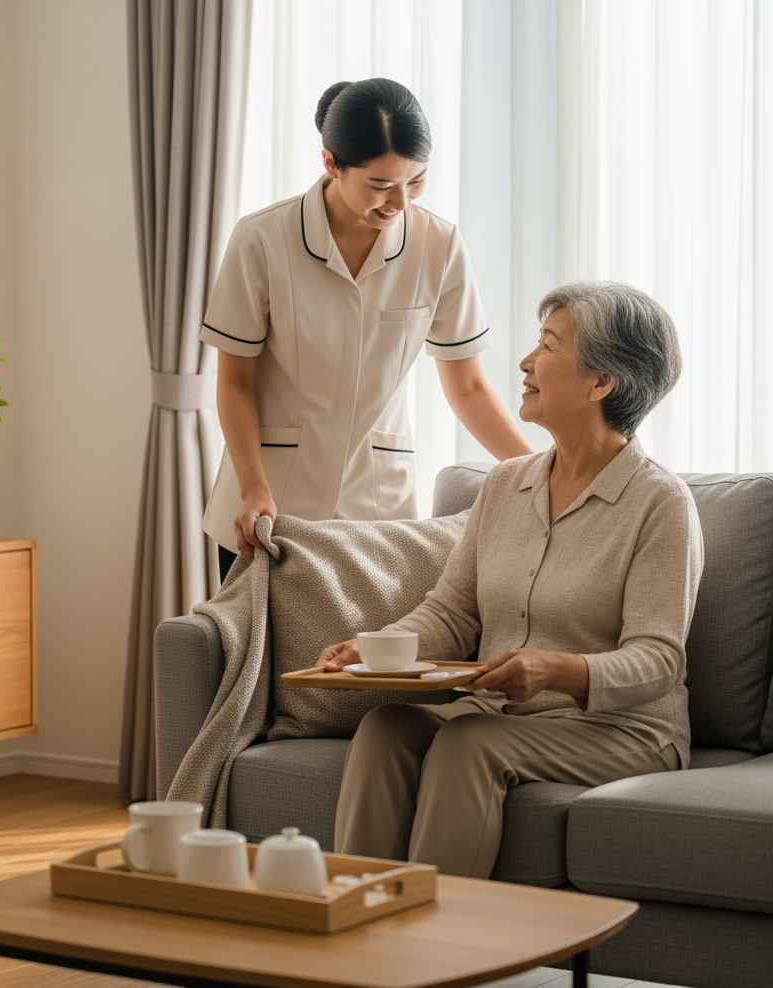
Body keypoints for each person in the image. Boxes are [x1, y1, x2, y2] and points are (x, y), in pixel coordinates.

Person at [316, 281, 703, 878]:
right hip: (501, 714)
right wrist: (373, 649)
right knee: (386, 726)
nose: (525, 362)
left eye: (548, 345)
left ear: (602, 383)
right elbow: (451, 613)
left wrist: (557, 670)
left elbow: (659, 660)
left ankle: (439, 931)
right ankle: (353, 909)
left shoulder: (660, 502)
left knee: (469, 742)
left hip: (622, 730)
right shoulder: (503, 485)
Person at [201, 78, 531, 580]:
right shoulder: (262, 238)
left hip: (377, 513)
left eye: (415, 181)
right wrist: (253, 487)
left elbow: (468, 386)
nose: (400, 201)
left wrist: (544, 475)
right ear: (331, 163)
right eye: (380, 185)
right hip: (266, 508)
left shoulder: (439, 245)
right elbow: (235, 382)